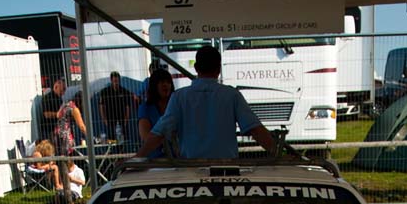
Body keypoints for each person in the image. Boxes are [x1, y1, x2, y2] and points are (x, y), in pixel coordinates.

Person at [135, 45, 276, 160]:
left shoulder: (179, 98)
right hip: (227, 170)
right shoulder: (232, 95)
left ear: (196, 68)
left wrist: (137, 157)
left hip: (191, 172)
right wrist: (278, 153)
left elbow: (159, 133)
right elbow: (255, 130)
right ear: (219, 69)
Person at [137, 68, 175, 158]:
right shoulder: (145, 108)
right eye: (162, 82)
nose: (166, 85)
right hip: (154, 161)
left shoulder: (176, 105)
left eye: (168, 82)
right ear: (154, 86)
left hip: (178, 159)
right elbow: (145, 138)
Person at [99, 71, 132, 142]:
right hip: (110, 119)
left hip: (122, 119)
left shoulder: (124, 91)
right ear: (111, 80)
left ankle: (122, 151)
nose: (116, 83)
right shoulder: (105, 92)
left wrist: (126, 119)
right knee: (112, 140)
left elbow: (127, 106)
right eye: (114, 81)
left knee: (123, 140)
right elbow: (102, 107)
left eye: (117, 81)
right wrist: (104, 119)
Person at [54, 91, 86, 156]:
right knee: (69, 157)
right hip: (66, 135)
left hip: (58, 133)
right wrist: (91, 136)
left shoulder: (67, 104)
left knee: (61, 156)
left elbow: (57, 115)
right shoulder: (74, 109)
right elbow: (82, 126)